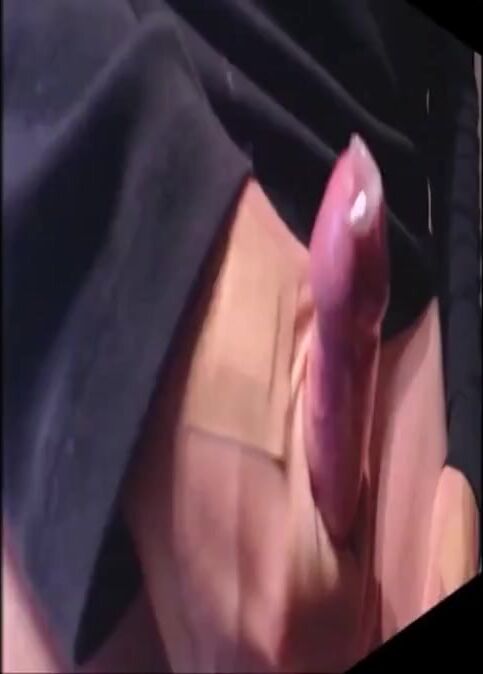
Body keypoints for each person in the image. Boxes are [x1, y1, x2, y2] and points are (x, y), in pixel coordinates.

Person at [3, 1, 480, 671]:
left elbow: (448, 87)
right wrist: (151, 268)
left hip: (407, 405)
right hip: (117, 404)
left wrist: (466, 437)